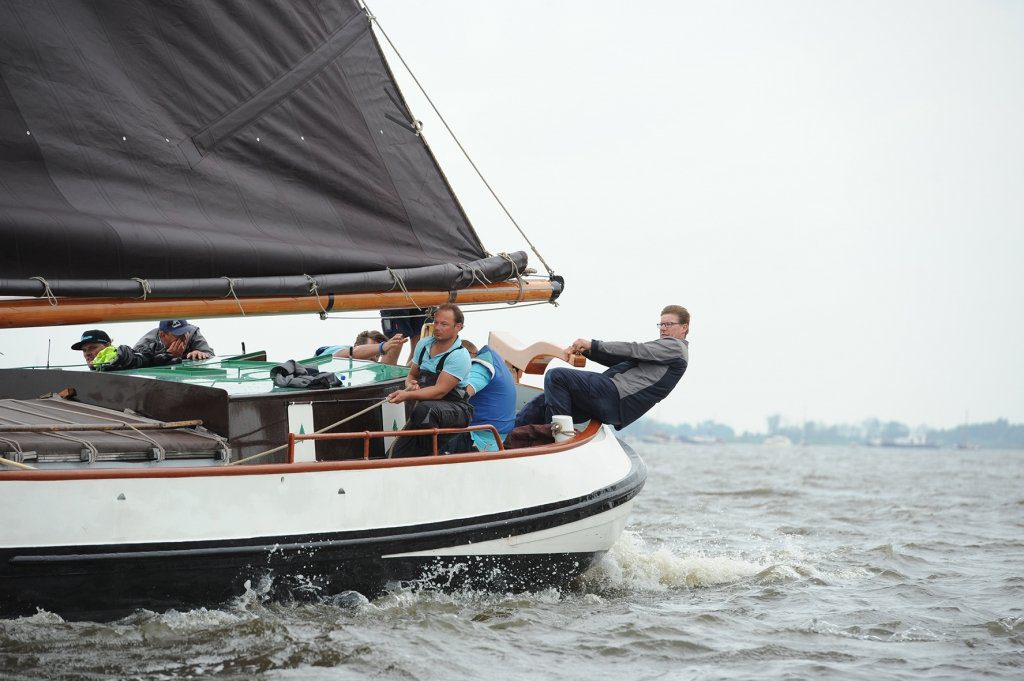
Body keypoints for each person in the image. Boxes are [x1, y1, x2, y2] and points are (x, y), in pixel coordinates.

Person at [515, 305, 690, 431]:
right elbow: (621, 360)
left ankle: (558, 438)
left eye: (668, 324)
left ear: (684, 328)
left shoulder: (676, 348)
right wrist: (588, 351)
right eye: (661, 324)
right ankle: (507, 443)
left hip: (616, 399)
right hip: (608, 399)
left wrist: (593, 344)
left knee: (557, 376)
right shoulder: (661, 352)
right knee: (542, 403)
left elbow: (633, 349)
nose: (663, 329)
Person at [386, 303, 473, 457]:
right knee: (395, 453)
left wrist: (407, 395)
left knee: (425, 410)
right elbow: (412, 375)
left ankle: (427, 458)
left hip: (455, 408)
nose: (437, 327)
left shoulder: (459, 355)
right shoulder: (423, 345)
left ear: (458, 327)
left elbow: (439, 391)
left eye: (444, 324)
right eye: (436, 322)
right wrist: (409, 384)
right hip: (427, 406)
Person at [444, 340, 517, 452]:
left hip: (482, 439)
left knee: (425, 436)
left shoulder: (480, 368)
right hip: (497, 436)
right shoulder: (493, 361)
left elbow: (461, 394)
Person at [134, 319, 214, 361]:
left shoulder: (192, 334)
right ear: (163, 335)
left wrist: (201, 354)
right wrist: (167, 356)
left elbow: (210, 355)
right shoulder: (149, 341)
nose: (184, 338)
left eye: (185, 332)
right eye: (178, 334)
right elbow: (134, 358)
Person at [314, 330, 408, 364]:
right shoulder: (339, 349)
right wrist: (382, 347)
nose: (373, 357)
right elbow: (344, 355)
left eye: (377, 355)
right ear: (356, 346)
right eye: (370, 350)